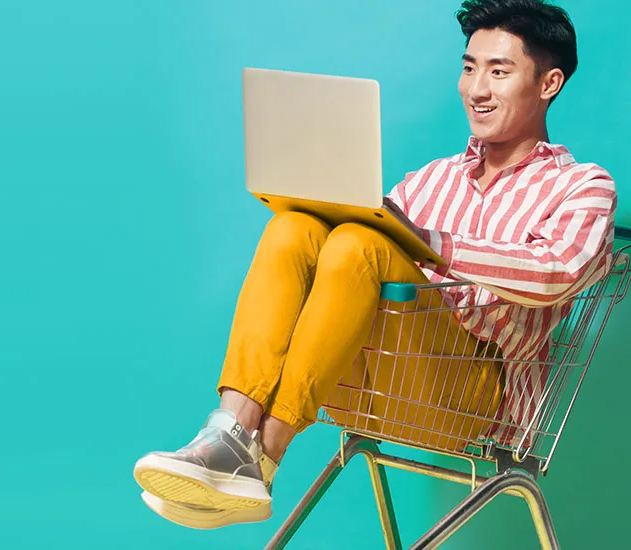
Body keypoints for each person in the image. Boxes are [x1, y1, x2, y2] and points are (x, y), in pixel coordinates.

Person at [133, 0, 617, 530]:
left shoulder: (583, 186)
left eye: (498, 71)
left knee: (360, 245)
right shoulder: (431, 178)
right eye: (469, 67)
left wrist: (432, 243)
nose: (476, 88)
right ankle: (229, 431)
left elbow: (556, 272)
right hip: (365, 376)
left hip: (469, 398)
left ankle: (262, 454)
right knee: (293, 228)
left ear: (548, 83)